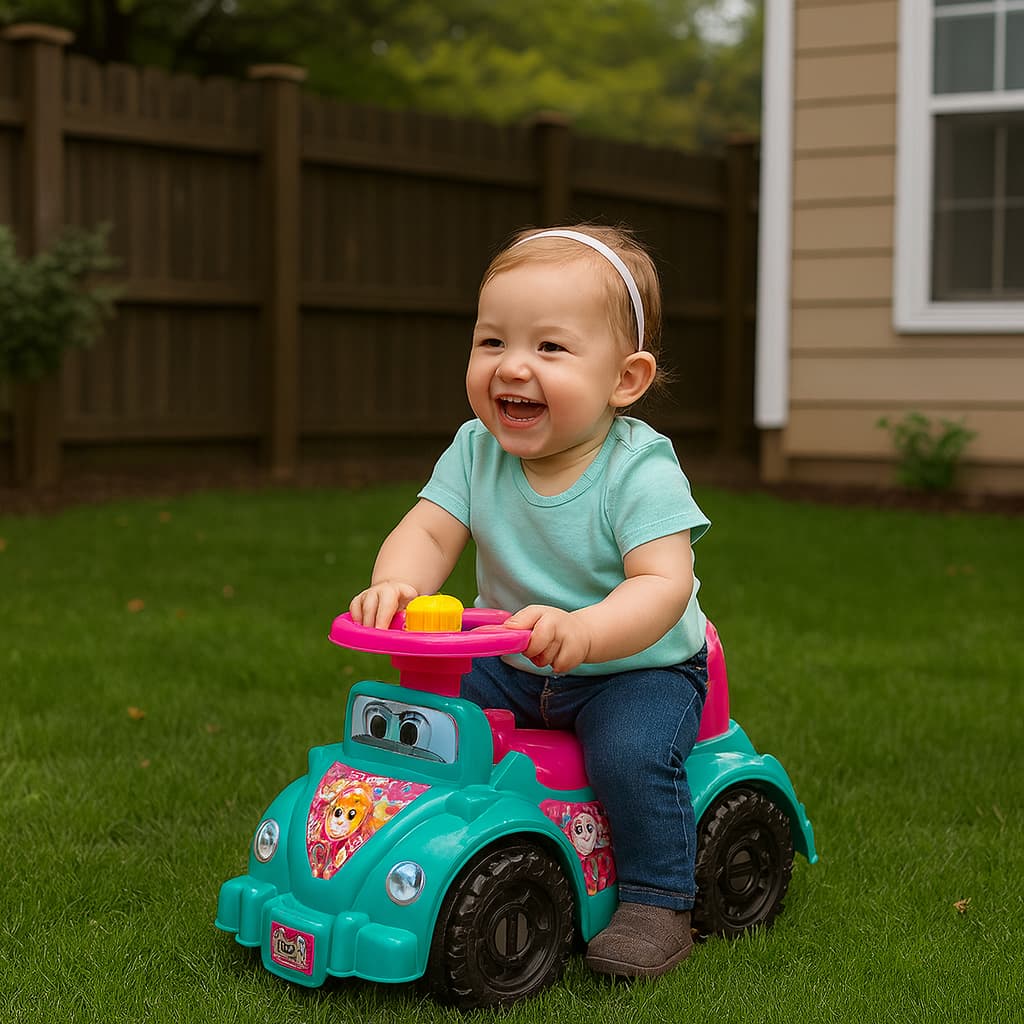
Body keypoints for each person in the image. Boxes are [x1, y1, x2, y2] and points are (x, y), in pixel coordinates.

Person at [350, 224, 710, 978]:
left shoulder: (638, 470)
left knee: (630, 755)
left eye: (550, 347)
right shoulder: (474, 450)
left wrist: (586, 632)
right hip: (511, 662)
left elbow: (661, 584)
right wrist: (398, 582)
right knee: (421, 729)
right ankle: (407, 854)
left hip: (633, 670)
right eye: (492, 341)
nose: (512, 366)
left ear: (625, 380)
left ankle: (657, 899)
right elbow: (429, 529)